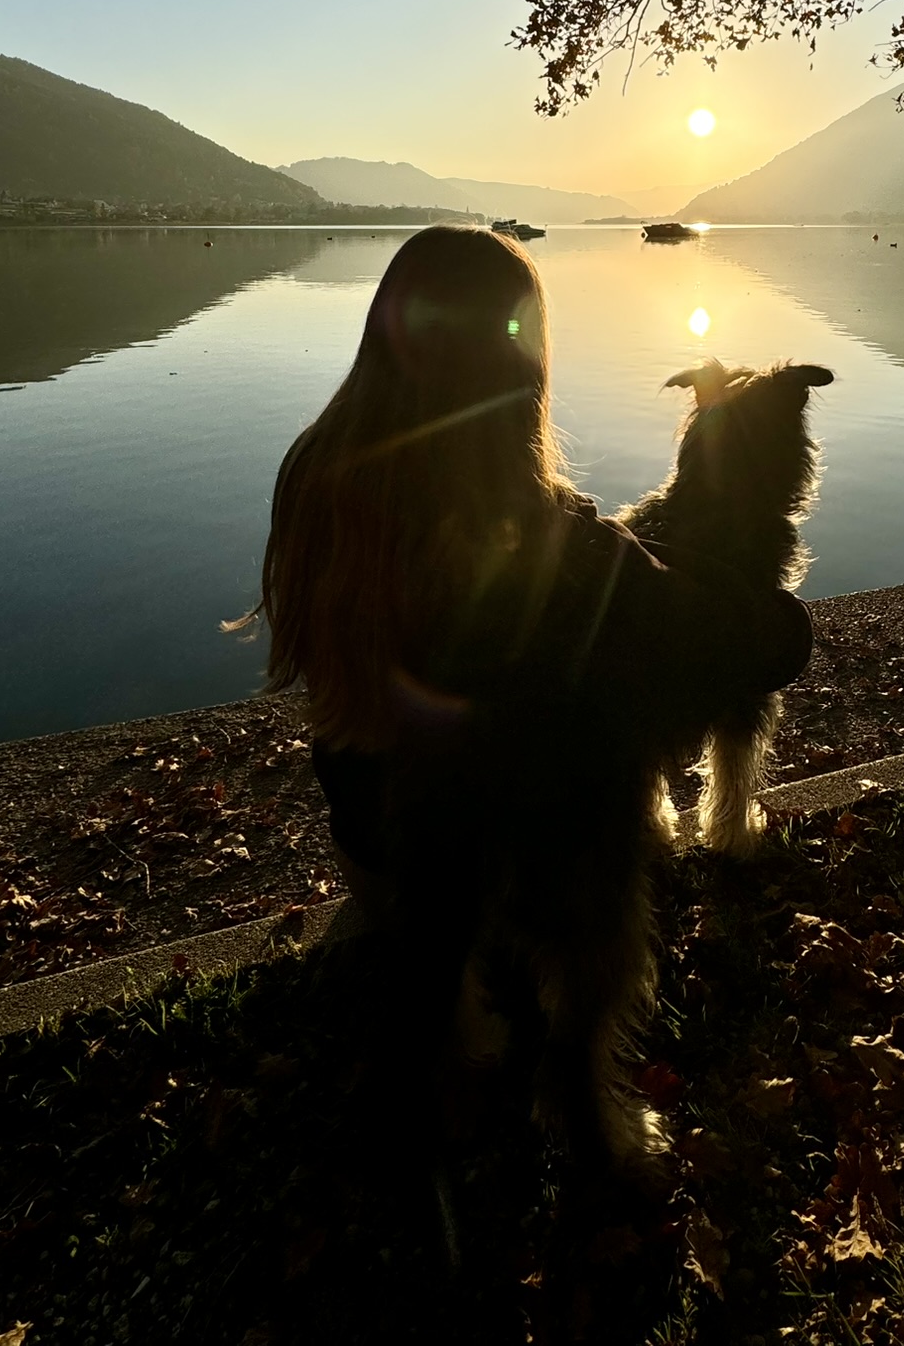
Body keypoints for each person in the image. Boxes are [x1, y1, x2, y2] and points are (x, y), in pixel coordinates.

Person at [252, 224, 811, 1172]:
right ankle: (590, 1110)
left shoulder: (312, 471)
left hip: (378, 842)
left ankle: (450, 1034)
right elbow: (748, 642)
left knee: (449, 868)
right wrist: (772, 617)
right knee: (587, 842)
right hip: (520, 853)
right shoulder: (549, 536)